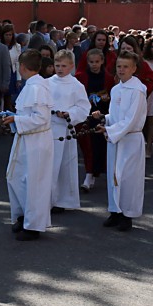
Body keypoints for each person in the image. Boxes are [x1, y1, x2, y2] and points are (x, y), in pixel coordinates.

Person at [2, 49, 54, 241]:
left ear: (22, 67)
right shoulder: (31, 85)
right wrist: (15, 119)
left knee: (34, 183)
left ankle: (33, 225)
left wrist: (16, 119)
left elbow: (41, 117)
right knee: (16, 177)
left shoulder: (37, 87)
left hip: (37, 142)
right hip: (26, 139)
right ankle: (23, 214)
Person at [99, 51, 147, 232]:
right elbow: (116, 115)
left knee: (128, 178)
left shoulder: (137, 90)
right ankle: (115, 211)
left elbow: (131, 119)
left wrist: (110, 130)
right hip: (116, 138)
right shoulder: (115, 89)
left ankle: (127, 215)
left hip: (131, 139)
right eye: (119, 66)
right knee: (114, 175)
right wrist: (105, 119)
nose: (121, 70)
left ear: (134, 69)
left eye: (126, 66)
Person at [47, 50, 90, 213]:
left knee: (64, 165)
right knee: (49, 166)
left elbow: (84, 107)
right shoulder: (47, 83)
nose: (60, 69)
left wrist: (69, 113)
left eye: (64, 66)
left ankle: (62, 199)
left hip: (64, 130)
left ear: (72, 66)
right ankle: (48, 198)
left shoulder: (76, 85)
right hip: (48, 128)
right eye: (57, 65)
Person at [76, 48, 115, 193]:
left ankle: (95, 172)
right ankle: (89, 173)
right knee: (87, 145)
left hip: (103, 115)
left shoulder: (109, 78)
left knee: (100, 145)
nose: (94, 65)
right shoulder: (80, 77)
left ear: (102, 61)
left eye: (97, 62)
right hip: (85, 115)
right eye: (91, 62)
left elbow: (113, 96)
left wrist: (107, 98)